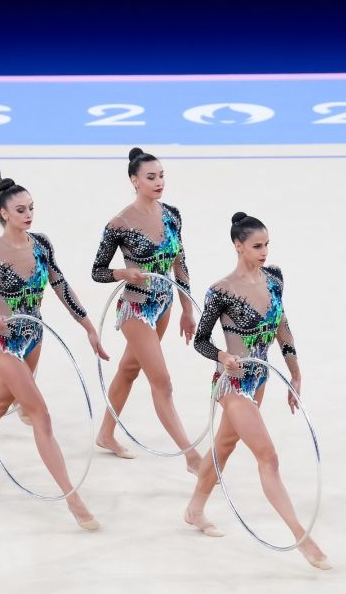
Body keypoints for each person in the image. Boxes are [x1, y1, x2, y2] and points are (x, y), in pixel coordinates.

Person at [0, 178, 109, 530]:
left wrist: (87, 325)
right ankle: (73, 499)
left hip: (34, 339)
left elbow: (60, 285)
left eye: (31, 208)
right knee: (40, 413)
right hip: (4, 345)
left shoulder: (41, 245)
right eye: (20, 210)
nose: (28, 215)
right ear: (4, 214)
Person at [184, 212, 330, 570]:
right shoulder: (221, 291)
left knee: (224, 445)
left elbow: (282, 326)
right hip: (232, 383)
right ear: (238, 246)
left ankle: (194, 509)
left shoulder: (275, 279)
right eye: (257, 246)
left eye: (267, 245)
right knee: (268, 456)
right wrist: (222, 355)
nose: (264, 251)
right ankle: (302, 537)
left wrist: (296, 373)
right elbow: (200, 341)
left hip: (261, 378)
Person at [91, 147, 202, 473]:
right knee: (163, 383)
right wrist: (123, 273)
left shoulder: (172, 215)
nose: (158, 182)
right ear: (134, 180)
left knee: (129, 370)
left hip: (164, 305)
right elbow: (97, 271)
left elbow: (180, 263)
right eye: (151, 177)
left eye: (161, 176)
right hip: (135, 309)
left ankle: (106, 434)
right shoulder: (119, 224)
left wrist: (186, 309)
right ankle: (191, 457)